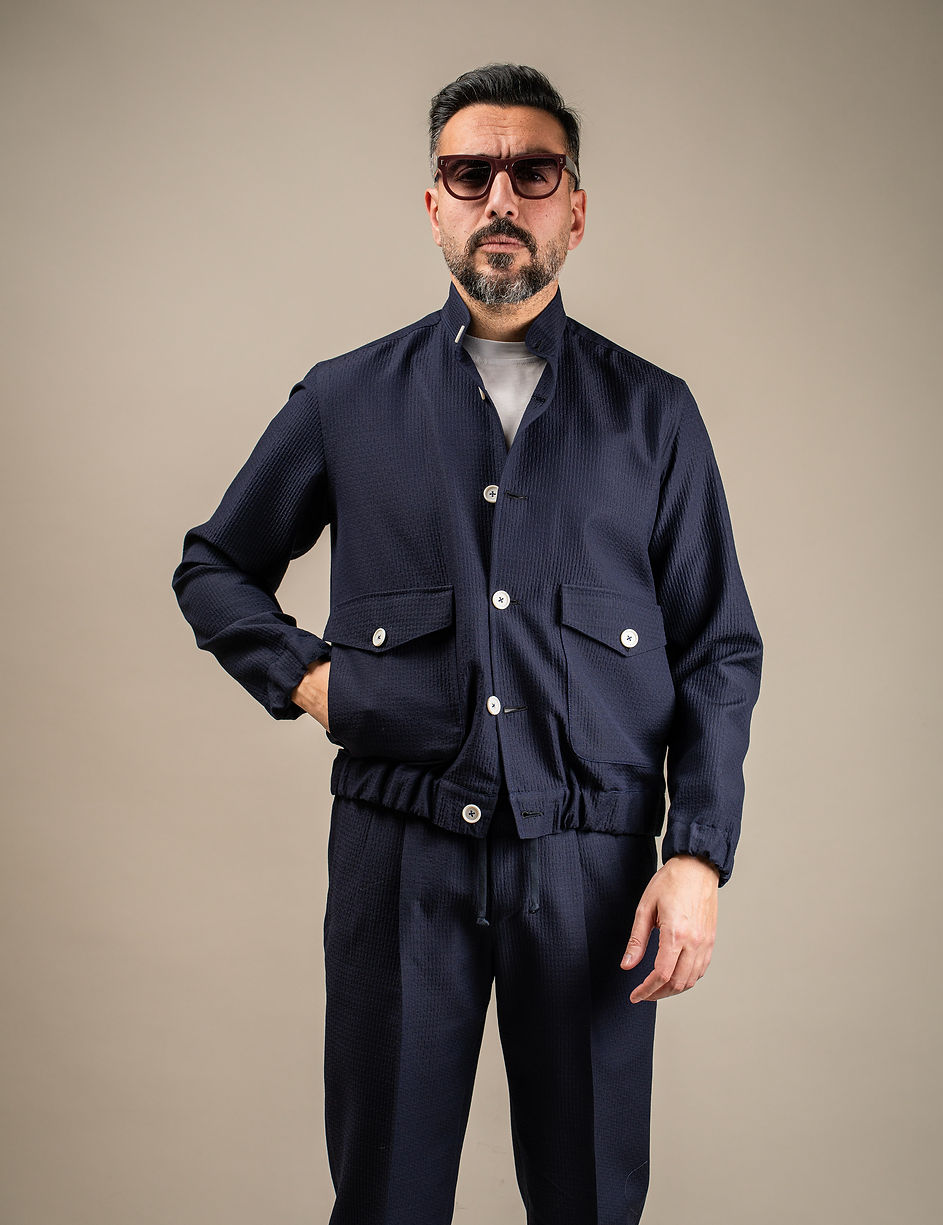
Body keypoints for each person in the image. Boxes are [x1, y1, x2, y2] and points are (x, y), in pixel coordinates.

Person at [172, 62, 763, 1225]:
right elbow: (214, 566)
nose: (499, 196)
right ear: (432, 205)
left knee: (588, 1199)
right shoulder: (345, 399)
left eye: (531, 173)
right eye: (467, 172)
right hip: (399, 861)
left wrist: (694, 857)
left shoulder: (653, 414)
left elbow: (716, 650)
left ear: (573, 209)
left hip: (591, 869)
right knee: (386, 1198)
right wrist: (313, 682)